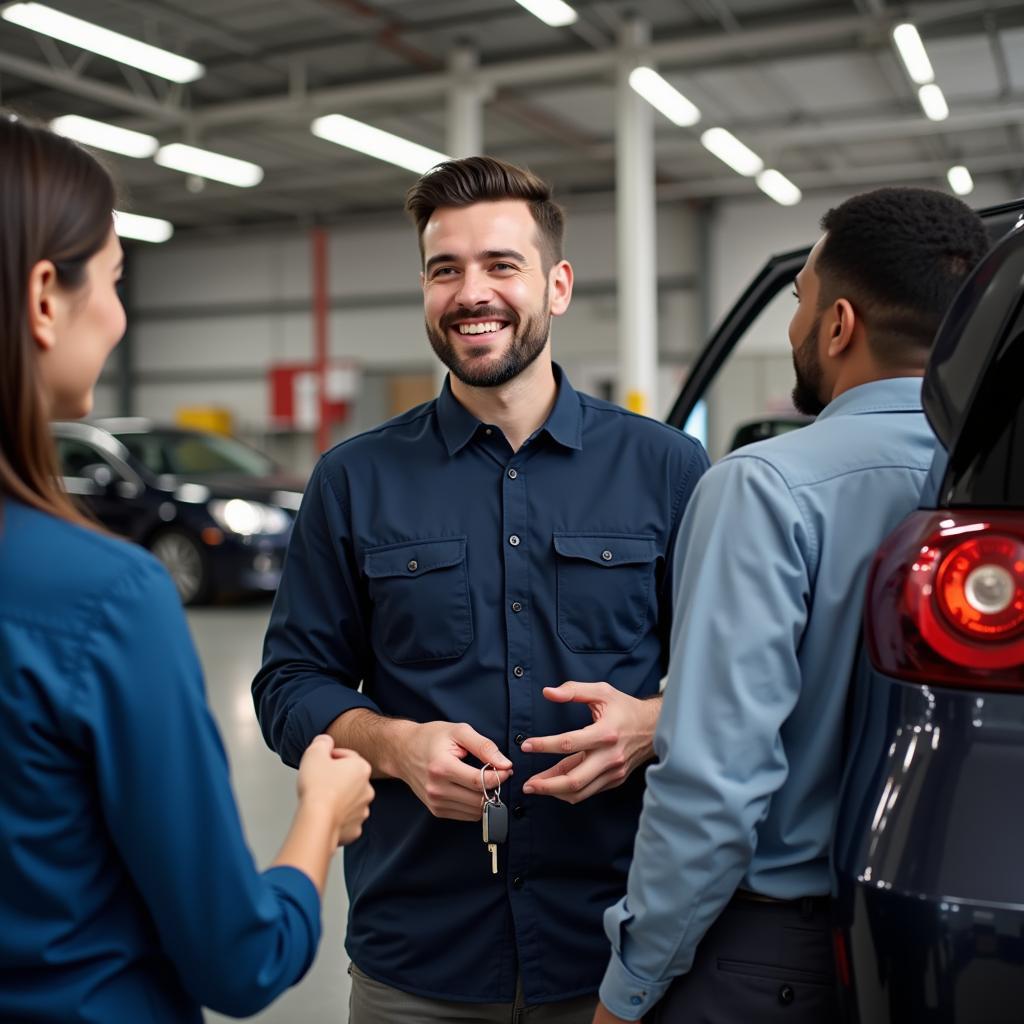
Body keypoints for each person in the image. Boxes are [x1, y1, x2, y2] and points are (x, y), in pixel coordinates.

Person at [253, 155, 709, 1022]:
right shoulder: (354, 480)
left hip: (621, 949)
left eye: (502, 265)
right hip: (418, 958)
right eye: (444, 269)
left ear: (558, 284)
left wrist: (655, 724)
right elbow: (286, 686)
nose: (472, 292)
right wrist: (392, 746)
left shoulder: (667, 469)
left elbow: (744, 679)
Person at [0, 114, 376, 1023]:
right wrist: (322, 815)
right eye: (118, 282)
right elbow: (238, 960)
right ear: (47, 296)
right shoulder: (107, 597)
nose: (122, 316)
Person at [592, 187, 990, 1023]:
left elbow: (714, 788)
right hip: (951, 944)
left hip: (772, 959)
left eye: (800, 302)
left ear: (839, 324)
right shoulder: (995, 486)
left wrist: (629, 986)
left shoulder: (765, 488)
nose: (795, 325)